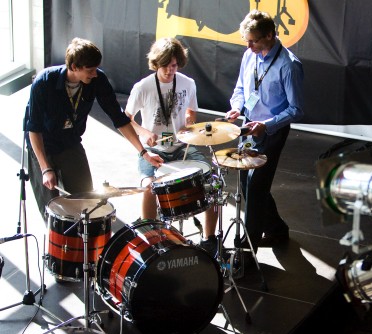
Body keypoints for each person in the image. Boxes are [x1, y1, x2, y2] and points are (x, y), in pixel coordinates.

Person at [25, 37, 163, 222]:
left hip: (70, 141)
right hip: (43, 144)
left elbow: (118, 118)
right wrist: (45, 169)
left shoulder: (98, 79)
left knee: (86, 201)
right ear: (74, 67)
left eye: (96, 69)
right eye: (90, 70)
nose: (95, 74)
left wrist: (144, 153)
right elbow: (34, 129)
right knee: (53, 212)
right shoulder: (44, 82)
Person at [125, 37, 219, 256]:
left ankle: (209, 238)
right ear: (156, 63)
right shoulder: (143, 87)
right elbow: (126, 119)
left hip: (181, 147)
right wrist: (144, 132)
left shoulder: (188, 83)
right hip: (153, 150)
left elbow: (191, 110)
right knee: (149, 187)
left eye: (174, 66)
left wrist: (188, 123)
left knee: (213, 182)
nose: (170, 70)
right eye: (165, 65)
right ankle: (150, 238)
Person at [224, 10, 304, 250]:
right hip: (248, 126)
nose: (248, 46)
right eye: (246, 40)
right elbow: (241, 88)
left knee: (256, 186)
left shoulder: (289, 66)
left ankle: (248, 247)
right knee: (246, 181)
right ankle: (277, 229)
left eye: (253, 41)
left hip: (271, 132)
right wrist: (237, 107)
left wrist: (266, 125)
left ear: (270, 35)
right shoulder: (250, 55)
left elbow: (296, 109)